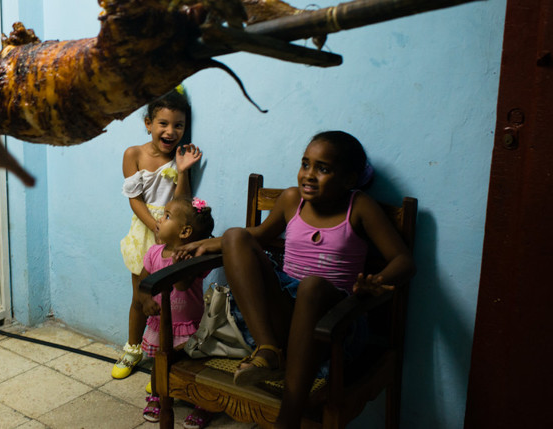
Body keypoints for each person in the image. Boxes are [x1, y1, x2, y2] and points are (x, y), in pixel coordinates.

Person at [177, 131, 416, 429]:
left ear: (349, 179)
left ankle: (288, 418)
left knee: (312, 286)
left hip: (333, 322)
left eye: (323, 169)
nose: (309, 175)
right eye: (306, 164)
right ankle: (267, 351)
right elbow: (258, 237)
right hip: (286, 319)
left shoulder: (360, 207)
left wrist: (377, 280)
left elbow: (404, 261)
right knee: (235, 235)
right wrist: (212, 243)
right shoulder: (292, 200)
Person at [113, 88, 203, 379]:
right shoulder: (134, 154)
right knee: (142, 296)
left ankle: (166, 361)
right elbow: (134, 199)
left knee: (173, 299)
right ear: (148, 123)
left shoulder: (181, 157)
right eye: (163, 123)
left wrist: (183, 170)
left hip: (173, 233)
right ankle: (132, 349)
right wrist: (154, 226)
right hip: (145, 230)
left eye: (178, 125)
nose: (170, 131)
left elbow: (182, 203)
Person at [139, 197, 215, 428]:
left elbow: (181, 285)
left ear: (185, 231)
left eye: (167, 216)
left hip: (188, 324)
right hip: (160, 322)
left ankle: (202, 404)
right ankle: (157, 395)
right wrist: (144, 301)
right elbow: (143, 282)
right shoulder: (154, 253)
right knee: (158, 363)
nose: (160, 219)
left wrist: (179, 263)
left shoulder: (194, 257)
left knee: (194, 366)